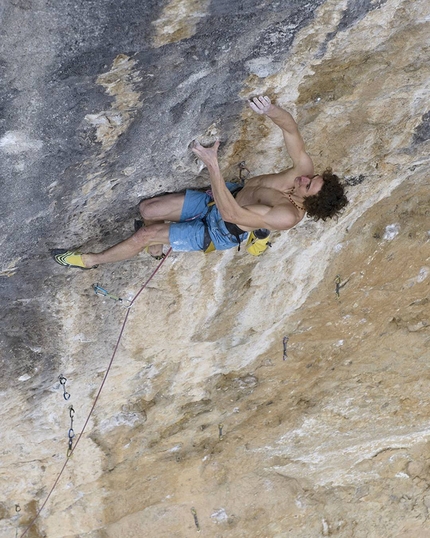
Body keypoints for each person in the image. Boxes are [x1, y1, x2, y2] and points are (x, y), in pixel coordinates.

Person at [52, 95, 348, 269]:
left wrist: (214, 166)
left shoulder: (287, 215)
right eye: (314, 177)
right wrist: (271, 110)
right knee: (148, 210)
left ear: (307, 202)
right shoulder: (301, 172)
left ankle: (91, 261)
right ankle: (158, 242)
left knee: (146, 235)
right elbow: (292, 132)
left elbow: (232, 214)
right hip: (227, 198)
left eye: (309, 185)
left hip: (221, 228)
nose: (306, 177)